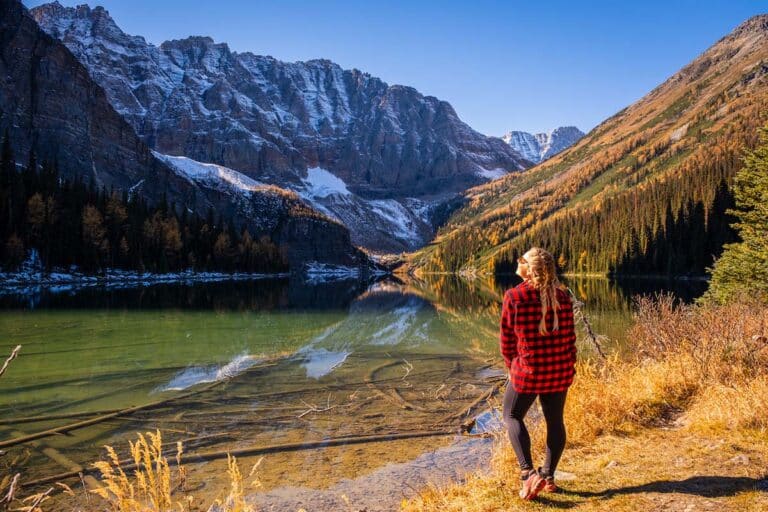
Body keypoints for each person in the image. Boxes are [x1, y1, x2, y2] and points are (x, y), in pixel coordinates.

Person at [499, 247, 577, 500]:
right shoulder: (563, 296)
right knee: (555, 421)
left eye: (521, 259)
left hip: (529, 372)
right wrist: (570, 366)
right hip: (559, 369)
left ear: (529, 269)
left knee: (511, 415)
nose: (517, 262)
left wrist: (511, 366)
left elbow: (507, 342)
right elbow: (570, 339)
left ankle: (527, 473)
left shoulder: (515, 296)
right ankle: (549, 477)